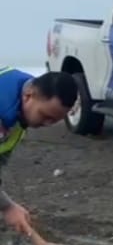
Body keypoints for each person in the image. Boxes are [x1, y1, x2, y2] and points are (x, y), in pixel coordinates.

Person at [0, 70, 78, 236]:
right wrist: (7, 207)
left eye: (55, 121)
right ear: (29, 95)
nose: (48, 124)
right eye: (45, 116)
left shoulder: (20, 101)